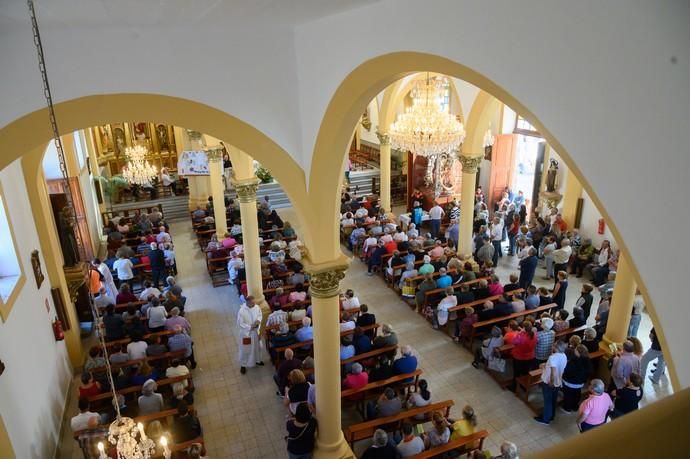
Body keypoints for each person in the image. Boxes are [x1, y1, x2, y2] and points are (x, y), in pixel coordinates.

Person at [534, 340, 567, 425]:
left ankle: (546, 419)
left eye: (553, 346)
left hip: (550, 382)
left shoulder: (553, 357)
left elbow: (553, 372)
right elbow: (556, 366)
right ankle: (551, 415)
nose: (552, 347)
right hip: (558, 382)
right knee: (553, 399)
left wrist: (551, 382)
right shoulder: (563, 355)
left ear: (556, 348)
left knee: (547, 401)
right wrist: (545, 365)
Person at [562, 344, 592, 413]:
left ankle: (567, 408)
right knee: (577, 394)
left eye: (576, 349)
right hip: (580, 382)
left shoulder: (574, 361)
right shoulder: (587, 360)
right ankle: (575, 406)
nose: (574, 350)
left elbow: (567, 370)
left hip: (570, 382)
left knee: (568, 395)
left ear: (578, 352)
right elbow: (589, 371)